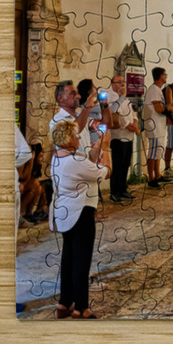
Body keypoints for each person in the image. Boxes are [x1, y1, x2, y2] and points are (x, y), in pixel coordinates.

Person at [48, 119, 111, 319]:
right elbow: (104, 173)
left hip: (65, 213)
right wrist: (106, 149)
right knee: (81, 262)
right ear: (67, 139)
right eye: (75, 135)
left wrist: (98, 146)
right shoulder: (75, 162)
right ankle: (81, 308)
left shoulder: (58, 157)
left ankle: (64, 303)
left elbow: (87, 164)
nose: (78, 138)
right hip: (81, 213)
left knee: (68, 259)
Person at [105, 74, 138, 203]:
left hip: (129, 137)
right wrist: (127, 125)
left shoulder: (126, 98)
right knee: (117, 166)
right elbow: (114, 113)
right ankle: (115, 192)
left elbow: (132, 112)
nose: (122, 84)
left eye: (123, 82)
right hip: (118, 137)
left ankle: (123, 189)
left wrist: (135, 123)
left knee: (125, 165)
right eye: (119, 82)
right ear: (113, 84)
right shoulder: (111, 97)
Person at [142, 68, 169, 189]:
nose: (166, 76)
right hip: (154, 127)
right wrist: (169, 108)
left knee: (158, 151)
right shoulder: (153, 89)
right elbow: (158, 108)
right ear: (160, 76)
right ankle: (151, 177)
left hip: (159, 126)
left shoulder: (157, 89)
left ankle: (158, 174)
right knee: (152, 152)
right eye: (165, 74)